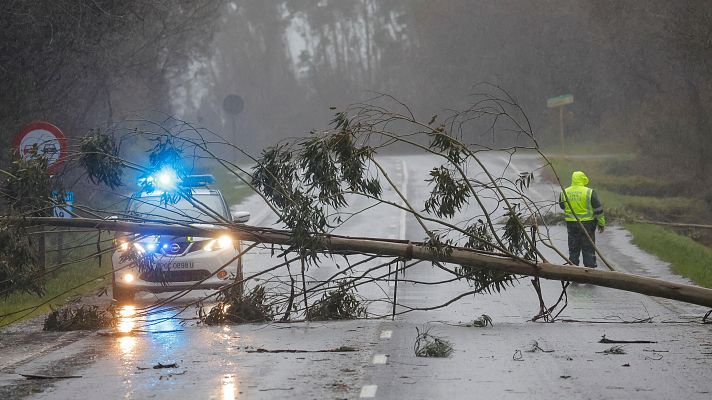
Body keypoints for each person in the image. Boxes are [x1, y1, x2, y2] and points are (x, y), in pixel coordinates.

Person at [559, 171, 605, 268]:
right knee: (588, 248)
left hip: (572, 225)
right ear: (583, 179)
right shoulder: (589, 192)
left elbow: (562, 206)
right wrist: (601, 223)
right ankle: (590, 272)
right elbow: (598, 210)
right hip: (588, 224)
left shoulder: (564, 192)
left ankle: (573, 270)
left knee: (573, 248)